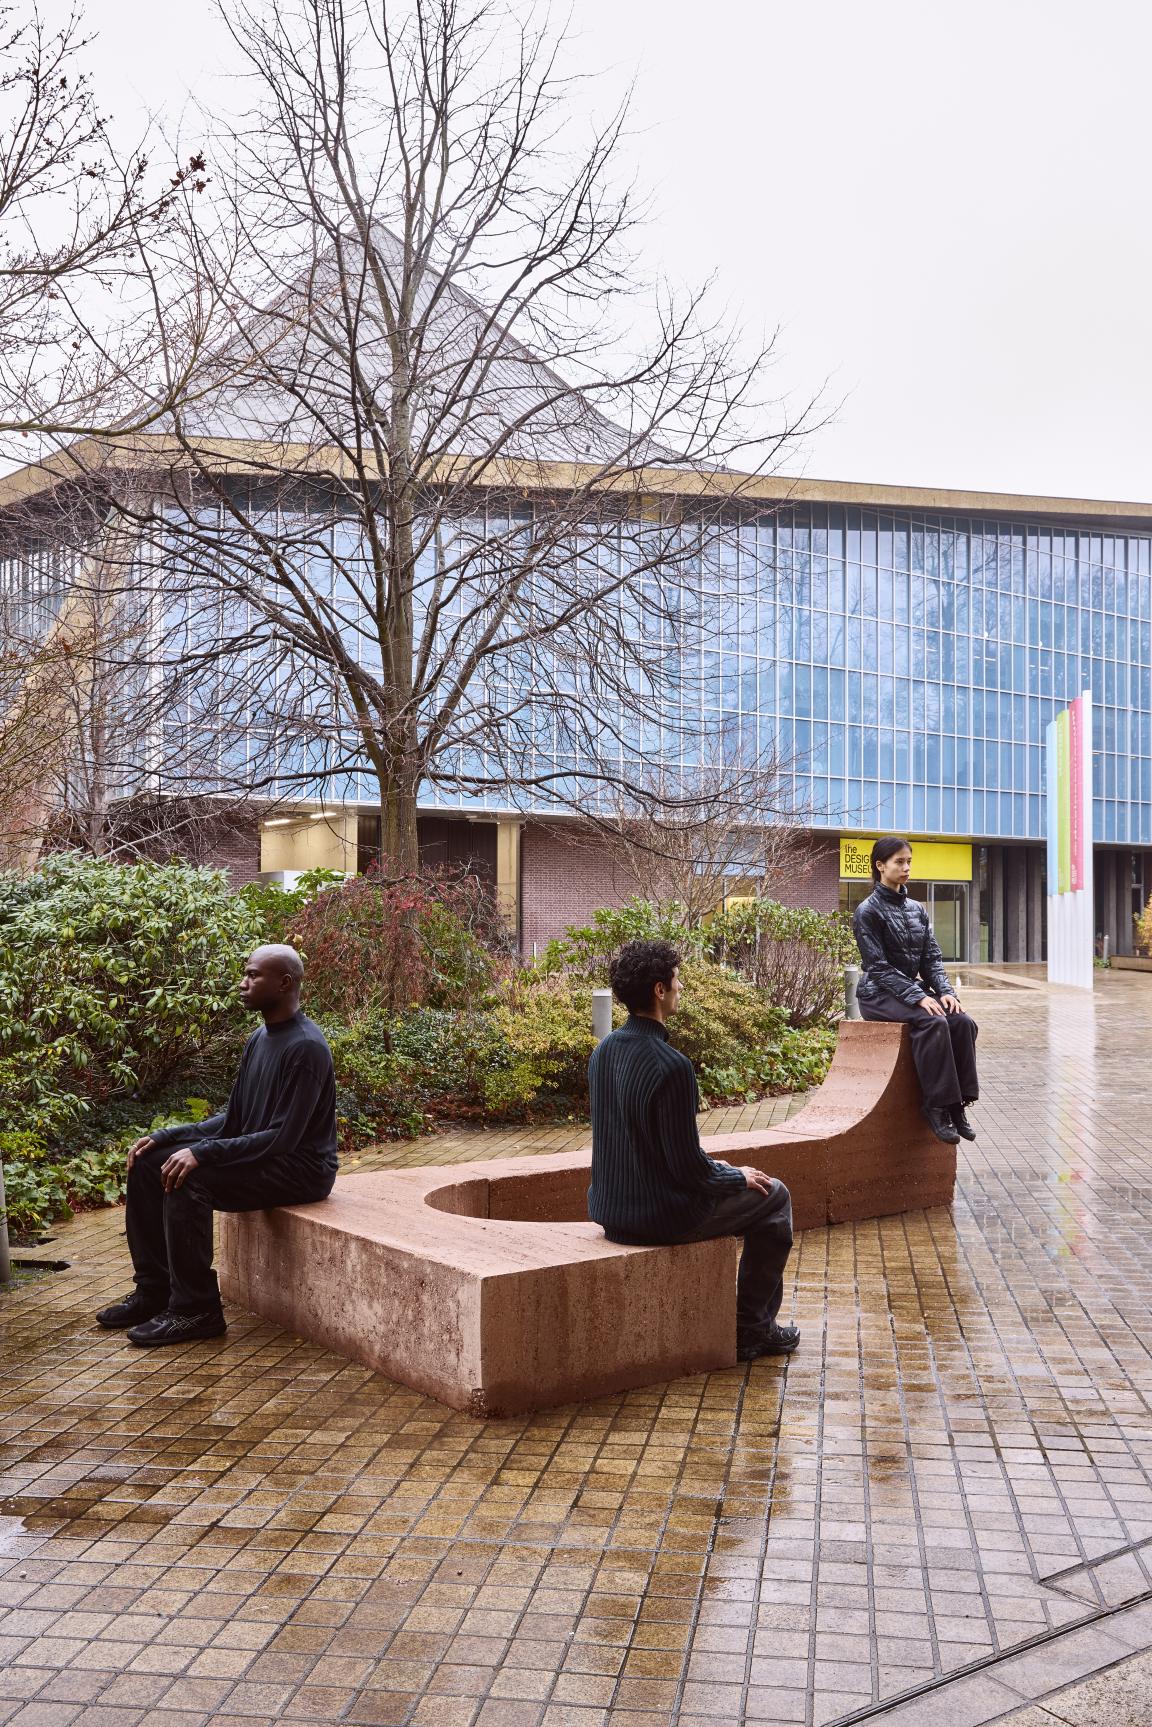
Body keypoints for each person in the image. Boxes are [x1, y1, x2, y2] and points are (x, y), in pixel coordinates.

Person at [95, 944, 339, 1347]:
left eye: (253, 975)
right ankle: (155, 1291)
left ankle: (196, 1309)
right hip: (264, 1155)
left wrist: (202, 1153)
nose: (243, 984)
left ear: (284, 982)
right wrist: (168, 1136)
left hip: (300, 1169)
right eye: (245, 974)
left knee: (193, 1178)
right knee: (148, 1161)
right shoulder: (260, 1037)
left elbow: (283, 1138)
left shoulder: (306, 1048)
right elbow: (234, 1120)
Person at [587, 938, 798, 1361]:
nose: (681, 988)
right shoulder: (672, 1066)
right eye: (677, 981)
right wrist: (734, 1174)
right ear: (659, 991)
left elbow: (650, 1148)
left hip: (610, 1211)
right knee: (775, 1198)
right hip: (660, 1217)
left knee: (742, 1181)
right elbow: (688, 1172)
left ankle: (753, 1325)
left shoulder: (604, 1050)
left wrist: (717, 1167)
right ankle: (752, 1329)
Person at [852, 836, 979, 1146]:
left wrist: (946, 991)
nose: (906, 867)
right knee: (932, 1022)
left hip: (908, 991)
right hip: (877, 995)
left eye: (909, 861)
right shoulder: (867, 911)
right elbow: (878, 967)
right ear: (880, 866)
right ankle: (935, 1105)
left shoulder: (916, 909)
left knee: (961, 1020)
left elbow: (931, 958)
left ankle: (957, 1104)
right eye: (899, 862)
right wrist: (920, 997)